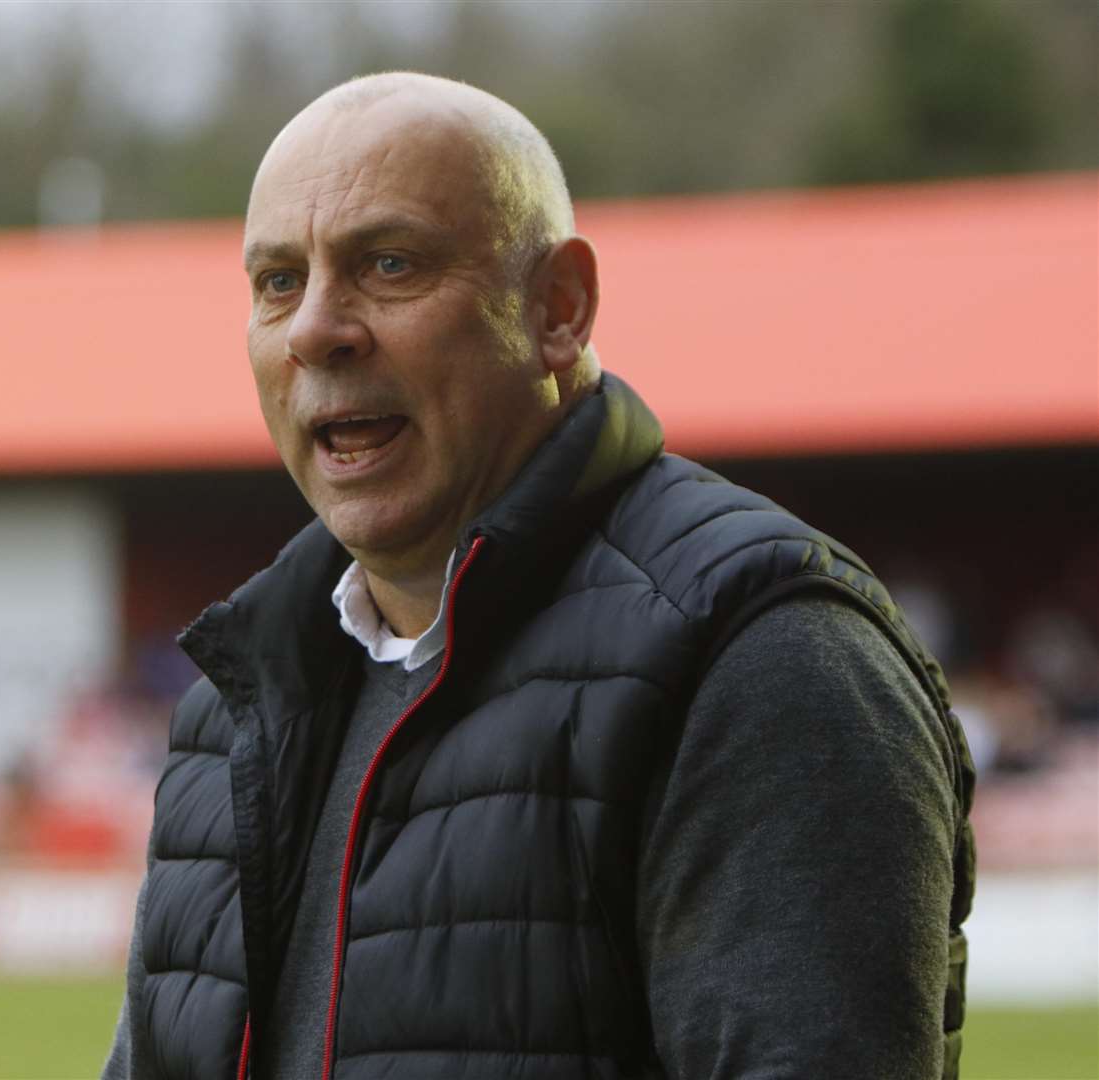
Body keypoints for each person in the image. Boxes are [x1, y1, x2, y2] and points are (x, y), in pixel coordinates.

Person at [103, 73, 974, 1080]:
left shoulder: (762, 652)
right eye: (277, 282)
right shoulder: (232, 699)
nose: (314, 330)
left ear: (557, 308)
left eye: (387, 264)